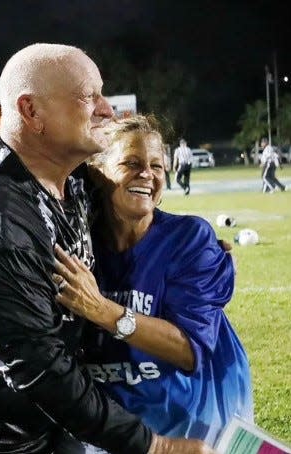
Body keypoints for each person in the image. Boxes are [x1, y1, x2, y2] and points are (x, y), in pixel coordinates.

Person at [0, 45, 213, 454]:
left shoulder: (66, 176)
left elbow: (125, 201)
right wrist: (157, 447)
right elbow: (41, 368)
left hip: (24, 421)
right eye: (88, 96)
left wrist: (184, 241)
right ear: (32, 112)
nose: (107, 109)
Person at [53, 115, 254, 451]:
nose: (147, 174)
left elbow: (190, 352)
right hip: (119, 422)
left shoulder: (189, 238)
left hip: (194, 418)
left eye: (157, 166)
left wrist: (103, 310)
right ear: (96, 173)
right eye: (131, 163)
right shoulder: (76, 245)